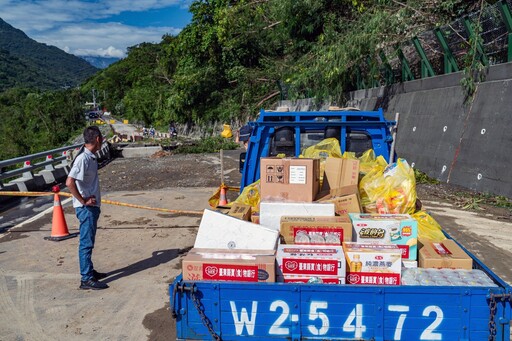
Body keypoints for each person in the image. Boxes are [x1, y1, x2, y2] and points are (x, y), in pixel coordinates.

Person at [66, 126, 109, 290]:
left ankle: (89, 271)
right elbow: (69, 182)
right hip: (86, 209)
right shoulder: (83, 158)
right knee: (86, 243)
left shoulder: (89, 157)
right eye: (102, 138)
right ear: (97, 139)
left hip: (92, 207)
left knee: (89, 242)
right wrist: (83, 201)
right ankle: (86, 279)